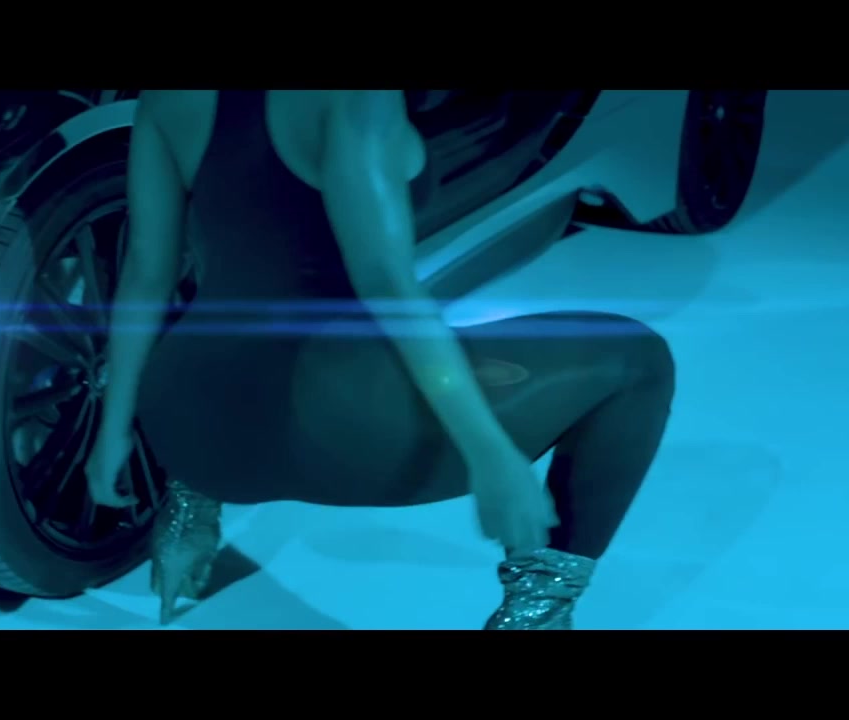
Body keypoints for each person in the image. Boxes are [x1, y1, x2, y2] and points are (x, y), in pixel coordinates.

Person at [84, 90, 676, 630]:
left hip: (189, 434)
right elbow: (386, 284)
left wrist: (113, 432)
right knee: (637, 360)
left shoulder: (167, 102)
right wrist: (491, 455)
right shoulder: (356, 100)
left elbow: (146, 273)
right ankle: (537, 609)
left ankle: (189, 511)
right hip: (331, 429)